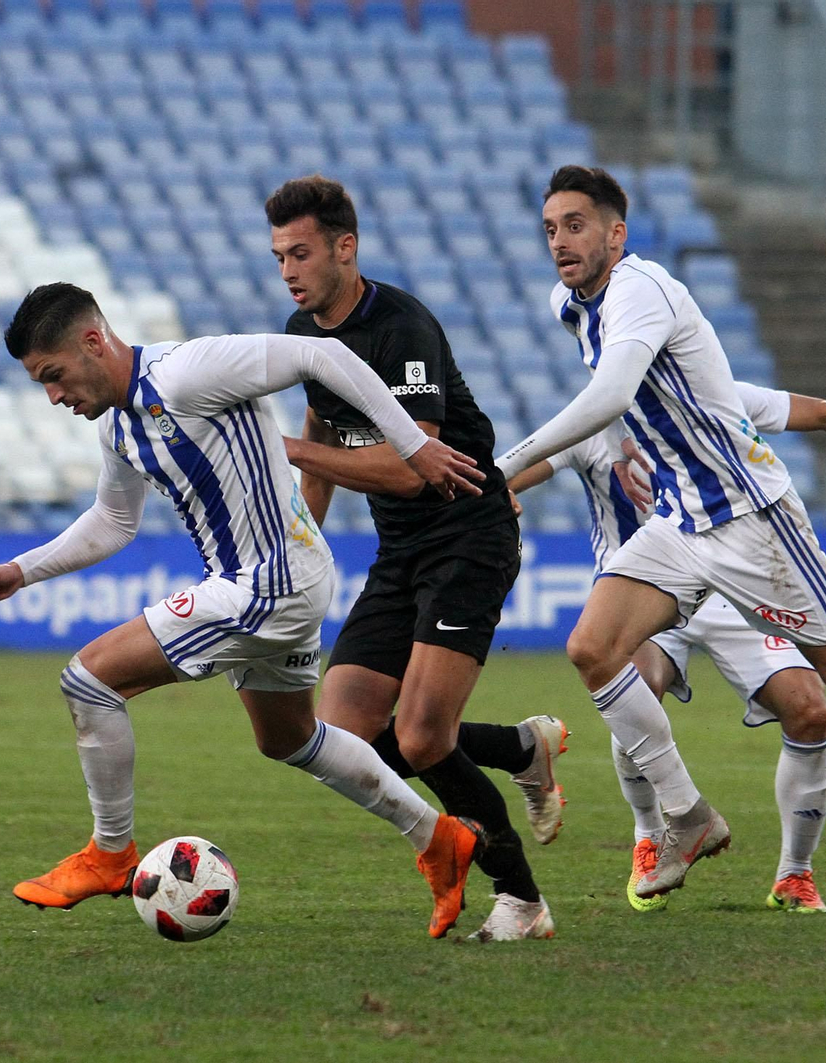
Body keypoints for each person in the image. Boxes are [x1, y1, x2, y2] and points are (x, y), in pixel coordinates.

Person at [495, 165, 826, 928]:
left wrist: (499, 466)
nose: (560, 241)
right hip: (681, 525)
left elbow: (620, 396)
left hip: (753, 520)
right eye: (550, 228)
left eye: (576, 225)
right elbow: (619, 403)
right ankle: (682, 817)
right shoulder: (575, 306)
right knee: (593, 645)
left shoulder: (640, 292)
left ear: (618, 233)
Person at [0, 283, 489, 938]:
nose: (53, 396)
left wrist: (411, 443)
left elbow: (319, 358)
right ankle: (438, 838)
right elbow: (112, 522)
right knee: (290, 739)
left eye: (53, 375)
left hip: (271, 581)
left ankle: (110, 852)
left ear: (93, 341)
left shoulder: (187, 371)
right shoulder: (118, 426)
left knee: (89, 678)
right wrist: (22, 570)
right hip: (273, 580)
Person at [507, 382, 826, 915]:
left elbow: (825, 409)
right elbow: (516, 467)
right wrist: (495, 490)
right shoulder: (593, 420)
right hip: (642, 588)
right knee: (635, 682)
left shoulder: (713, 393)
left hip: (732, 583)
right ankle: (651, 836)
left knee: (810, 711)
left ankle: (795, 875)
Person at [267, 175, 557, 942]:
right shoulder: (304, 329)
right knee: (339, 734)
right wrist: (304, 536)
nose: (289, 268)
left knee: (426, 739)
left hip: (468, 534)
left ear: (345, 248)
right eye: (279, 256)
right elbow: (322, 428)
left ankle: (522, 899)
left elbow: (414, 465)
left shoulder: (402, 328)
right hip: (400, 549)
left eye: (300, 252)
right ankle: (519, 747)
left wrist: (294, 450)